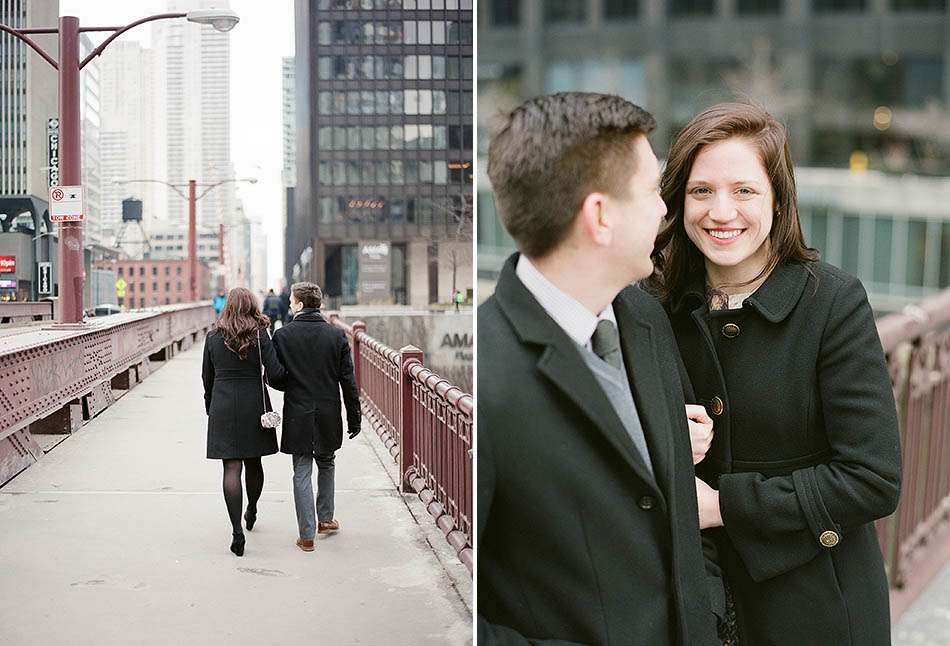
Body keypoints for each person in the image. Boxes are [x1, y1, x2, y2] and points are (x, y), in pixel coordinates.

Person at [651, 102, 902, 645]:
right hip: (695, 606)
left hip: (817, 608)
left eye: (744, 190)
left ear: (778, 197)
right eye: (701, 191)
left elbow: (873, 478)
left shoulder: (831, 303)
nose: (721, 212)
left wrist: (724, 506)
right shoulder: (655, 304)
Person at [478, 92, 722, 645]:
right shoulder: (487, 378)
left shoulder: (643, 317)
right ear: (600, 216)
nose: (666, 208)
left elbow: (674, 510)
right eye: (653, 191)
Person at [272, 281, 361, 552]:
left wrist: (293, 383)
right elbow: (348, 381)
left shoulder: (283, 336)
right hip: (328, 410)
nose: (288, 304)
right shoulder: (336, 337)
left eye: (291, 301)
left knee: (301, 469)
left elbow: (274, 378)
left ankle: (306, 535)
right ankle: (325, 519)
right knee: (327, 461)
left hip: (298, 410)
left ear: (299, 305)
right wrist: (354, 417)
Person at [201, 287, 285, 557]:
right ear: (252, 305)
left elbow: (207, 378)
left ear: (227, 306)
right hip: (253, 403)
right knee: (254, 462)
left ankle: (237, 532)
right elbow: (275, 373)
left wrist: (210, 407)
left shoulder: (213, 337)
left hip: (223, 405)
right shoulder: (261, 335)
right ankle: (252, 509)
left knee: (231, 468)